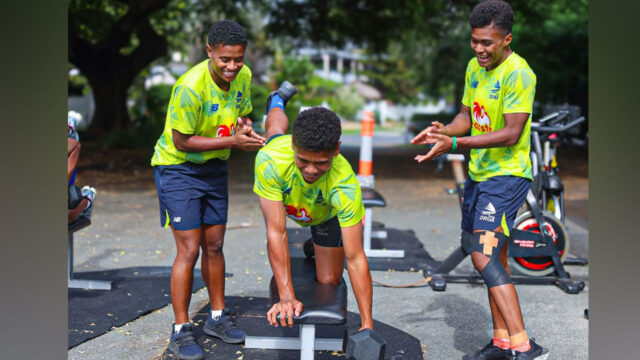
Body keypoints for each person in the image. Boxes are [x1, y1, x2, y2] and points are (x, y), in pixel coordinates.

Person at [411, 1, 548, 359]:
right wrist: (444, 132)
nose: (479, 49)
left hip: (506, 177)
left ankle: (525, 346)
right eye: (475, 41)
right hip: (479, 175)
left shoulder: (519, 74)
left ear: (507, 40)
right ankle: (502, 341)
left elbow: (512, 133)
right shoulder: (475, 67)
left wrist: (456, 143)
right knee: (494, 258)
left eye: (487, 43)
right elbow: (466, 117)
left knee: (482, 255)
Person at [150, 19, 265, 360]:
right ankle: (181, 330)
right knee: (189, 249)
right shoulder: (189, 87)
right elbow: (181, 140)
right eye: (224, 60)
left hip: (213, 165)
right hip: (177, 167)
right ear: (209, 51)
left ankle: (217, 317)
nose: (232, 67)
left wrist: (247, 131)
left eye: (238, 59)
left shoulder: (242, 77)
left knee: (214, 245)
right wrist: (232, 140)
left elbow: (242, 114)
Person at [253, 82, 375, 332]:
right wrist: (286, 295)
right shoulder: (271, 160)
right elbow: (277, 232)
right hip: (290, 200)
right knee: (274, 130)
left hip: (324, 216)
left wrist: (367, 325)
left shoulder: (345, 185)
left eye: (320, 163)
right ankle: (277, 101)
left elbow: (356, 257)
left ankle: (315, 244)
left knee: (329, 280)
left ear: (336, 150)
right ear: (293, 146)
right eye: (303, 160)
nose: (310, 170)